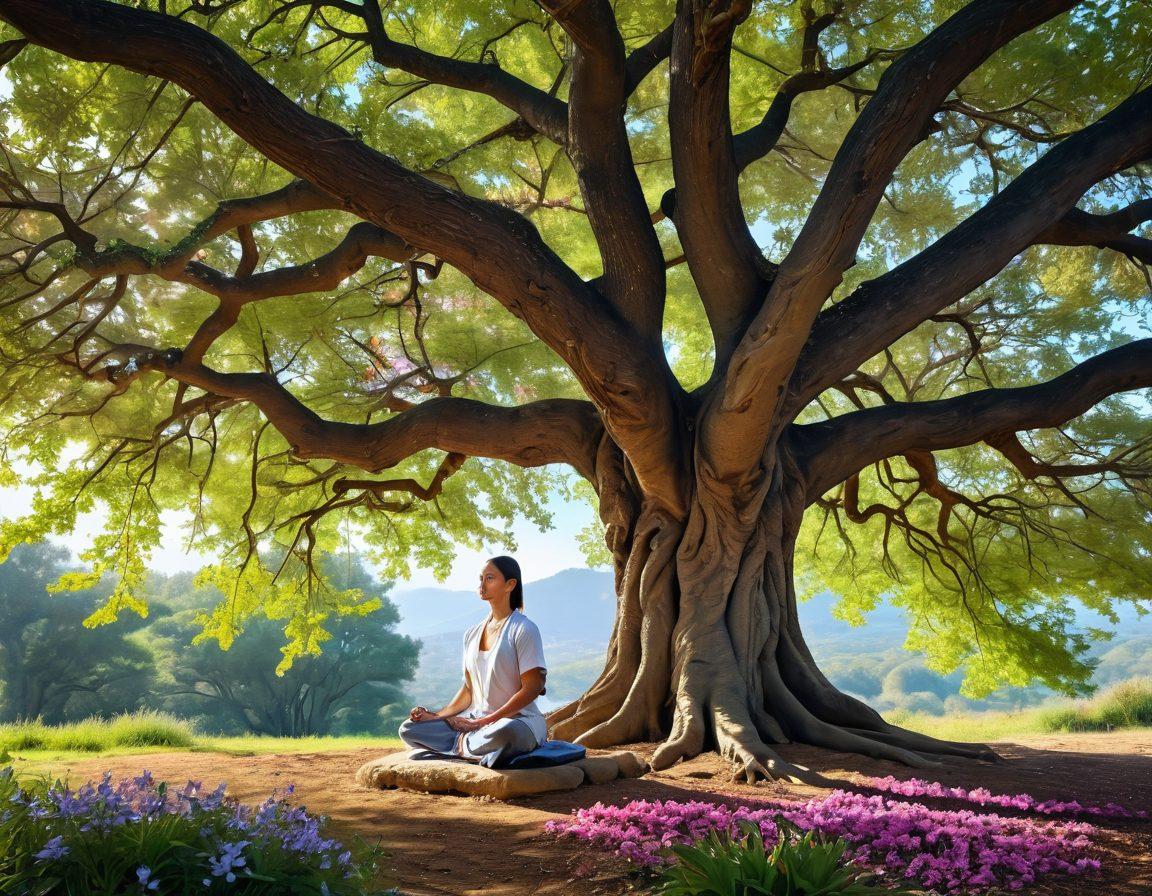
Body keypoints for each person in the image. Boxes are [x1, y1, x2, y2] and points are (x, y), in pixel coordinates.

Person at [398, 556, 548, 768]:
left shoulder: (524, 629)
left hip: (516, 722)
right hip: (474, 725)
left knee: (508, 733)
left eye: (489, 578)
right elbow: (468, 690)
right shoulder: (471, 634)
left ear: (510, 584)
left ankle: (458, 749)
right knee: (408, 729)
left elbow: (533, 687)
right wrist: (435, 716)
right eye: (480, 578)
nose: (481, 584)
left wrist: (483, 722)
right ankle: (476, 751)